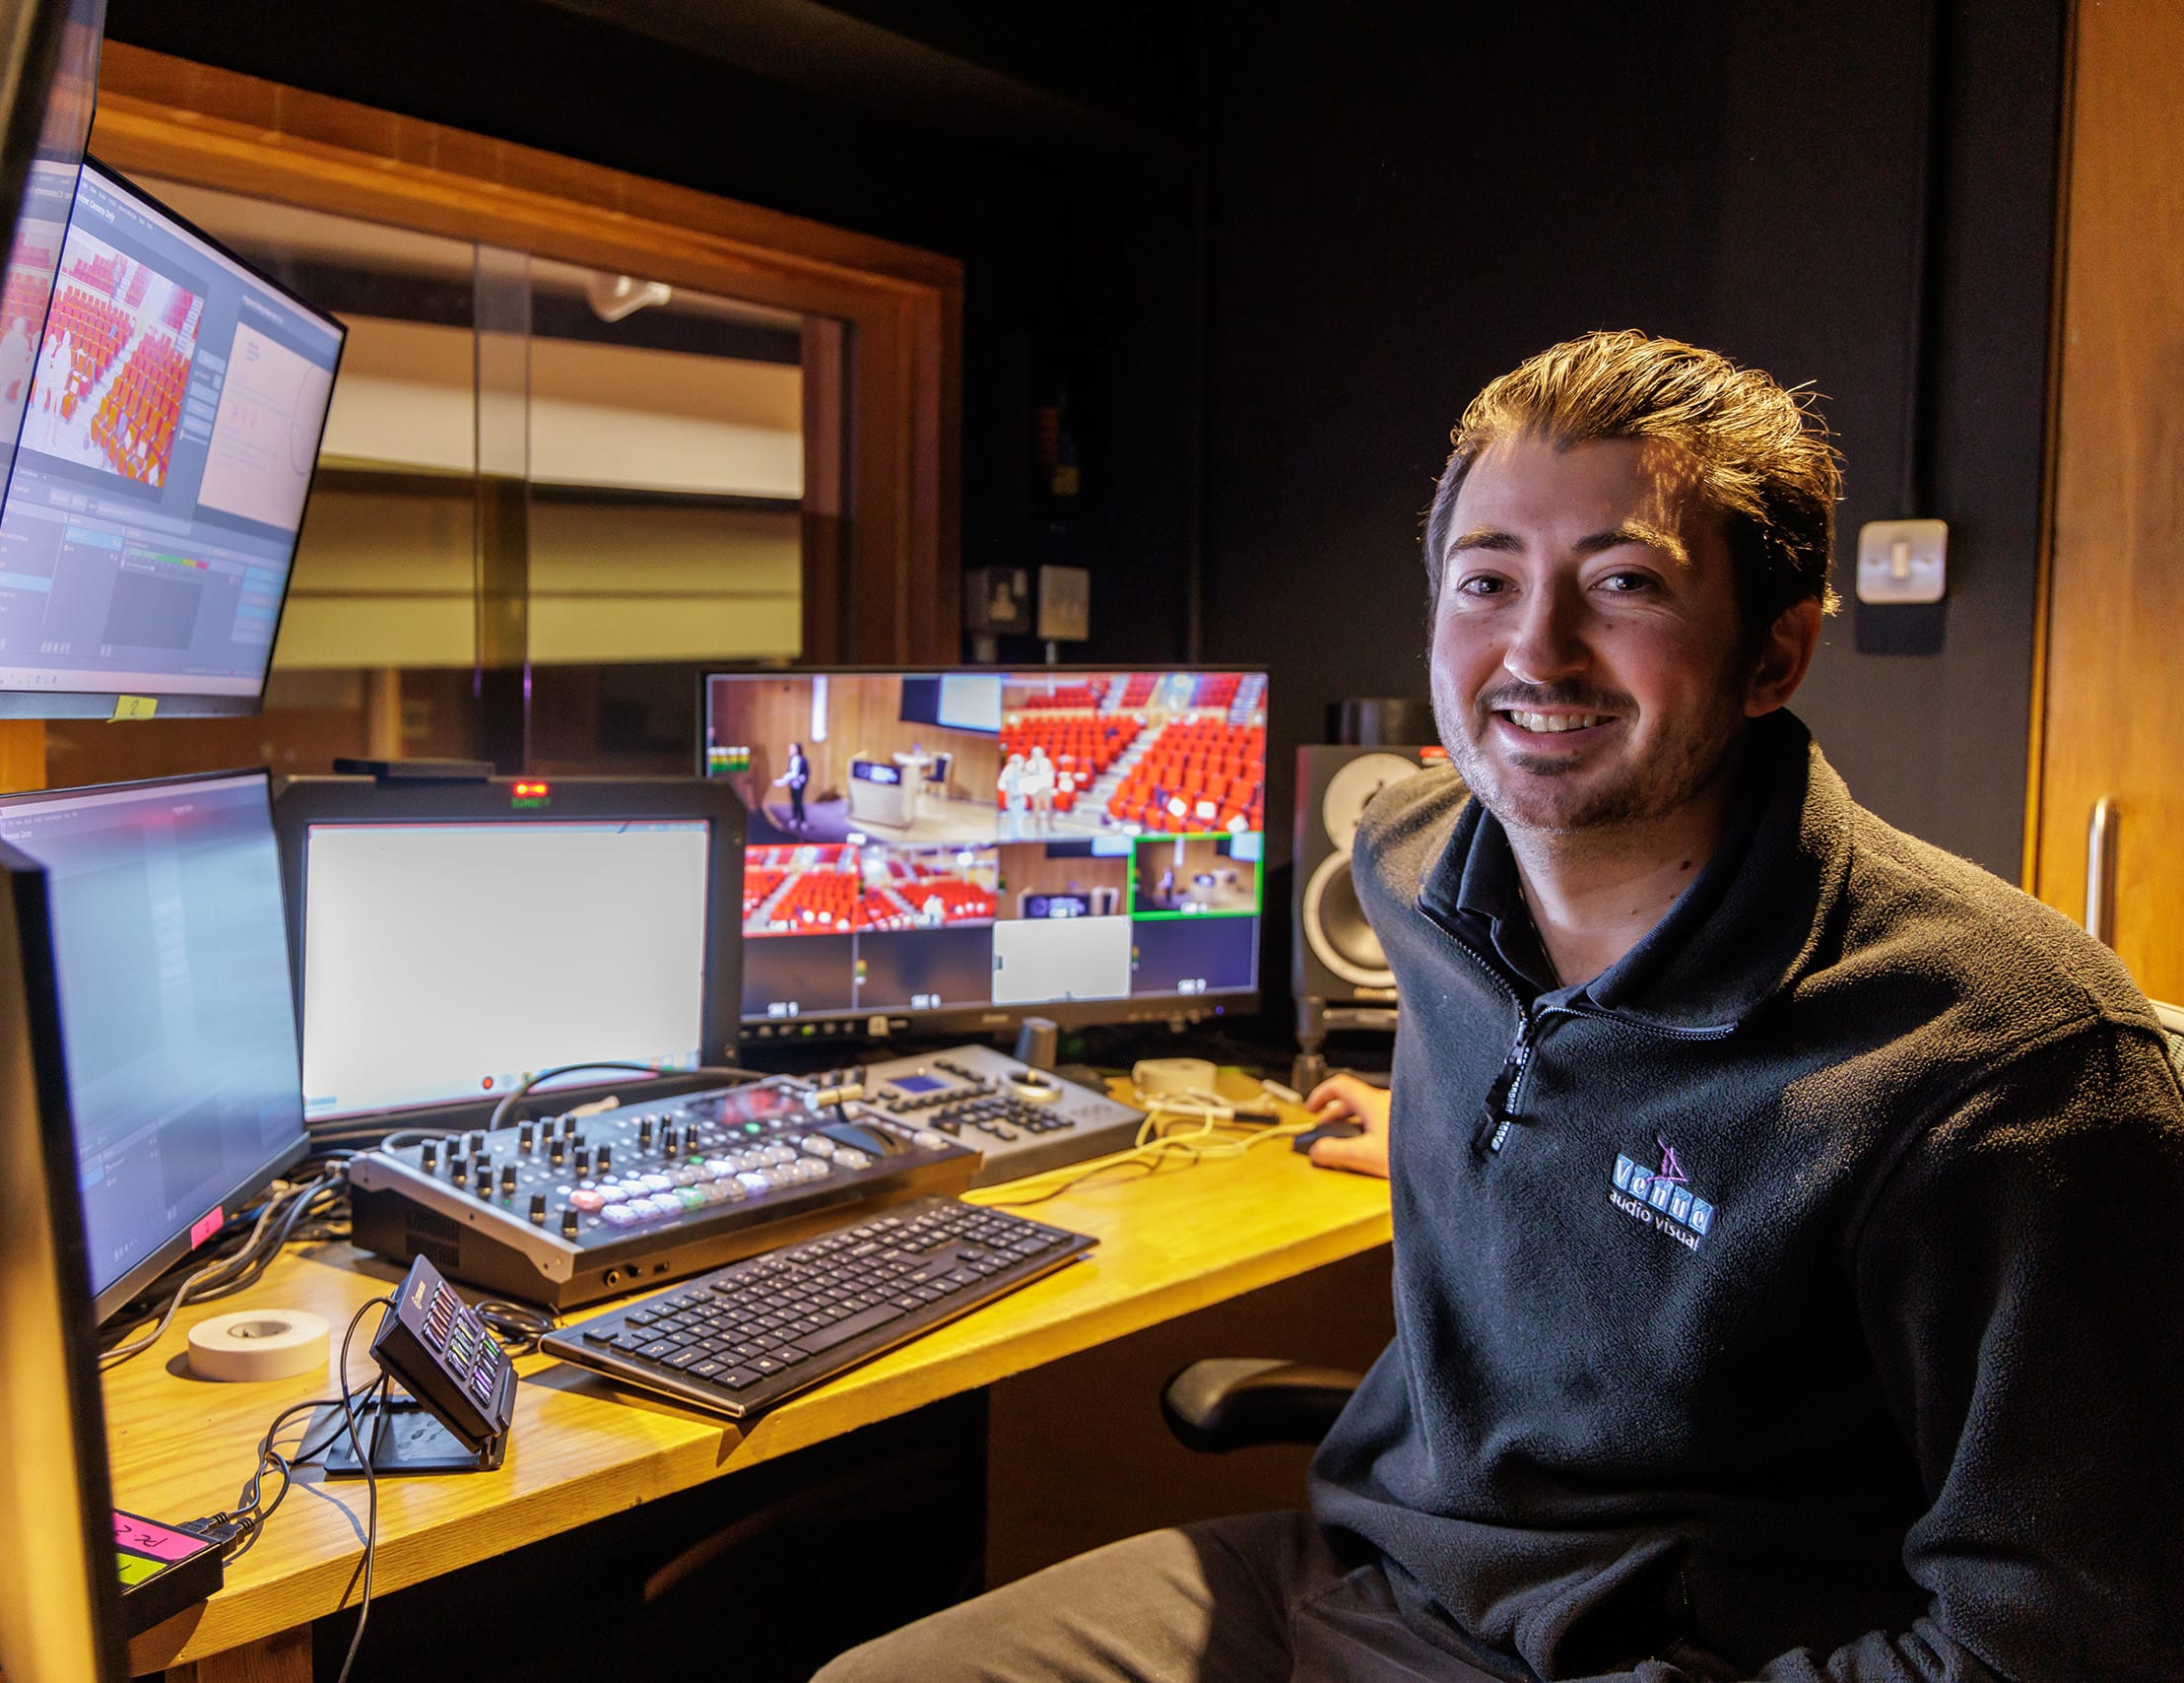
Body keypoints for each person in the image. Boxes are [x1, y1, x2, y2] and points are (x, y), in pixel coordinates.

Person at [813, 331, 2184, 1682]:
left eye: (1627, 583)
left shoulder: (2012, 1066)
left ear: (1775, 656)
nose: (1539, 652)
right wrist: (1463, 1120)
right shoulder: (1410, 866)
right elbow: (1590, 1076)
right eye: (1487, 580)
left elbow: (2065, 1644)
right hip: (1371, 1582)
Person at [771, 742, 810, 831]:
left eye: (792, 748)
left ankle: (803, 820)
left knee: (799, 802)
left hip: (799, 784)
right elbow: (790, 771)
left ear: (797, 749)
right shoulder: (791, 759)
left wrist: (801, 778)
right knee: (793, 801)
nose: (790, 750)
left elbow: (806, 772)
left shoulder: (803, 760)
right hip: (792, 783)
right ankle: (794, 818)